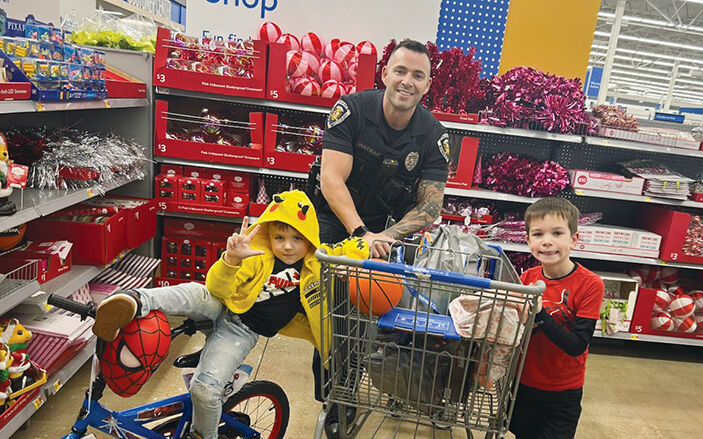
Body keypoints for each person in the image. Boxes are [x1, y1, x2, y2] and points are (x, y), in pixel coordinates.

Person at [91, 190, 369, 439]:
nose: (287, 246)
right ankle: (133, 300)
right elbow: (216, 287)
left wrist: (372, 245)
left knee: (206, 390)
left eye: (297, 238)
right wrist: (231, 260)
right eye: (279, 237)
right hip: (222, 304)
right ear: (268, 234)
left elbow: (350, 247)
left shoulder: (314, 265)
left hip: (242, 330)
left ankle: (204, 435)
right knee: (194, 291)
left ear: (309, 238)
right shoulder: (257, 255)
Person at [307, 39, 450, 438]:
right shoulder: (351, 109)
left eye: (417, 75)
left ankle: (385, 386)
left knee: (378, 318)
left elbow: (429, 207)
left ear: (427, 85)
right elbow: (332, 178)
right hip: (338, 221)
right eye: (400, 71)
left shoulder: (433, 135)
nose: (407, 81)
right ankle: (335, 401)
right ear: (385, 73)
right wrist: (360, 233)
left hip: (388, 229)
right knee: (334, 319)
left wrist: (382, 236)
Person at [509, 197, 604, 439]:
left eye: (557, 233)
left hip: (563, 392)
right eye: (538, 234)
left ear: (574, 239)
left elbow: (576, 345)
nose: (547, 242)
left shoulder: (590, 284)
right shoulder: (527, 277)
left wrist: (539, 313)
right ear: (528, 240)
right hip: (525, 384)